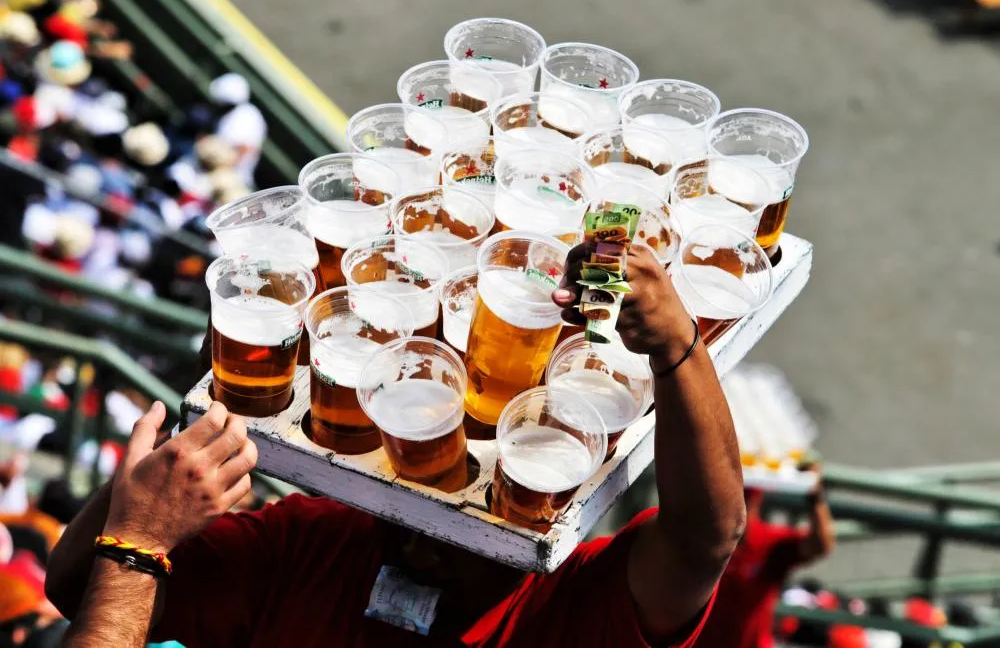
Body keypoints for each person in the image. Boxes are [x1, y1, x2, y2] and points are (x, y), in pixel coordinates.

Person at [46, 244, 747, 647]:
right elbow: (83, 589)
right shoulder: (309, 542)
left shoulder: (562, 606)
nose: (416, 542)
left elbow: (704, 537)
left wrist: (677, 346)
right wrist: (153, 502)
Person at [693, 468, 836, 648]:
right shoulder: (701, 536)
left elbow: (820, 545)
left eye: (747, 498)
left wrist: (815, 497)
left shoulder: (769, 542)